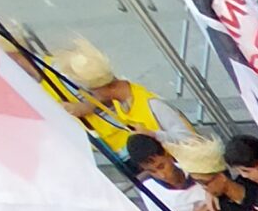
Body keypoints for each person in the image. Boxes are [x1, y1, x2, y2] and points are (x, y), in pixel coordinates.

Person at [47, 40, 183, 157]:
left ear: (103, 89)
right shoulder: (119, 103)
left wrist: (154, 135)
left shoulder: (153, 105)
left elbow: (188, 139)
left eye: (91, 92)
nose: (89, 96)